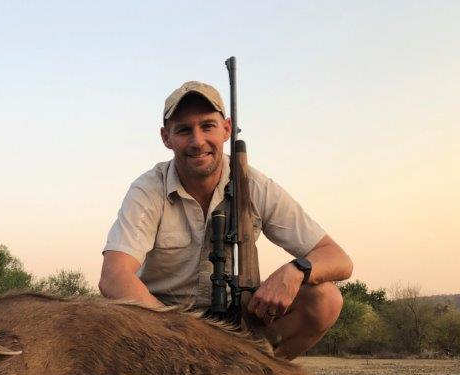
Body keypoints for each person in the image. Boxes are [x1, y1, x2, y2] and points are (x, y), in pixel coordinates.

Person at [99, 81, 352, 359]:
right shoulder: (148, 189)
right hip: (164, 327)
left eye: (208, 126)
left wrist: (294, 271)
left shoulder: (254, 185)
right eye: (184, 130)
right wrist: (182, 332)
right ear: (166, 138)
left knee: (325, 299)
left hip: (239, 324)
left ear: (226, 129)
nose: (197, 141)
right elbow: (114, 276)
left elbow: (338, 258)